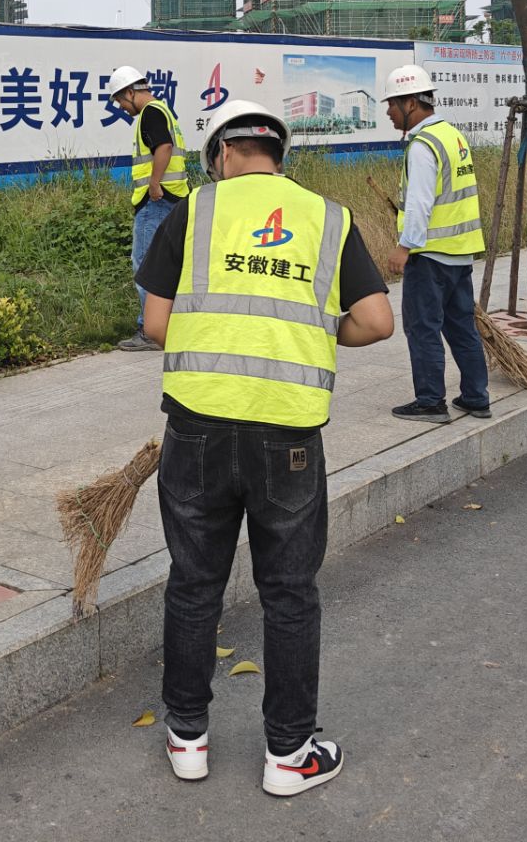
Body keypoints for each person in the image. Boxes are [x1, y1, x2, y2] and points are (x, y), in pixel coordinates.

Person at [137, 99, 395, 796]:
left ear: (222, 153)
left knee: (195, 584)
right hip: (289, 436)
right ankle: (289, 754)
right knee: (288, 593)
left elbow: (156, 324)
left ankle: (187, 737)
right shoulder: (328, 217)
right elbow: (377, 321)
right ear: (278, 153)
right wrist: (316, 335)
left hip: (196, 428)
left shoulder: (194, 212)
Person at [379, 64, 492, 424]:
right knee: (461, 327)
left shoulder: (422, 145)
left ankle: (430, 401)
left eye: (392, 104)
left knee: (422, 327)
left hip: (430, 256)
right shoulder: (452, 136)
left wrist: (405, 246)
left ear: (411, 103)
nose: (389, 111)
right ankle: (476, 397)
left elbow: (420, 202)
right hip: (459, 253)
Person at [108, 65, 189, 352]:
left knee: (145, 264)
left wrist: (154, 184)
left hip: (156, 200)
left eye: (120, 100)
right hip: (175, 198)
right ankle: (172, 325)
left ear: (131, 92)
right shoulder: (164, 111)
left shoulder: (150, 113)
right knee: (170, 263)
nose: (121, 107)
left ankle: (149, 331)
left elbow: (163, 147)